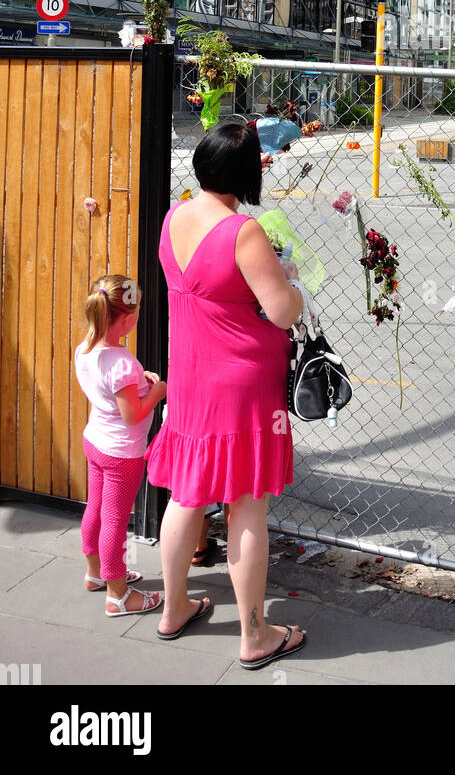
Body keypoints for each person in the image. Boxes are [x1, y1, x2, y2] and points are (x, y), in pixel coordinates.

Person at [145, 118, 307, 668]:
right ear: (244, 173)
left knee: (187, 494)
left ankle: (174, 608)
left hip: (190, 378)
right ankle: (256, 635)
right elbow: (282, 311)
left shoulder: (174, 218)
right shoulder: (244, 232)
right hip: (241, 385)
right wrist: (295, 285)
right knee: (246, 506)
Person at [74, 276, 166, 616]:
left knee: (95, 509)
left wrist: (140, 383)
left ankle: (94, 573)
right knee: (114, 519)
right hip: (121, 454)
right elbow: (133, 415)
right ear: (128, 319)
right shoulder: (123, 363)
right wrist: (157, 391)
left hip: (95, 441)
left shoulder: (85, 349)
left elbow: (109, 392)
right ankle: (118, 594)